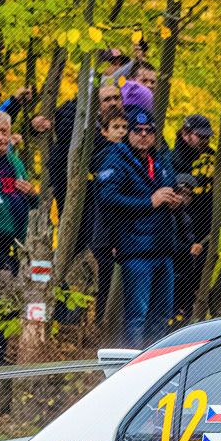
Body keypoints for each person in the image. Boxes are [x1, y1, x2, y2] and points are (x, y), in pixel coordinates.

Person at [97, 106, 187, 347]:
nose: (144, 135)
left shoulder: (160, 160)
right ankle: (133, 363)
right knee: (137, 317)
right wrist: (150, 201)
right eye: (138, 130)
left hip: (164, 247)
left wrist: (174, 202)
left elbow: (168, 191)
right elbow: (107, 198)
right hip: (136, 249)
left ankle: (155, 363)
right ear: (129, 133)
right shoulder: (116, 159)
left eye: (149, 130)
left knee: (162, 316)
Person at [0, 109, 40, 364]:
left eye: (5, 132)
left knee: (6, 297)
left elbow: (31, 204)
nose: (1, 137)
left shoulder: (15, 163)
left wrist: (32, 195)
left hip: (13, 241)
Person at [168, 114, 217, 324]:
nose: (205, 140)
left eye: (208, 136)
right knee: (174, 281)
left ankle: (189, 322)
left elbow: (219, 195)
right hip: (176, 231)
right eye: (200, 136)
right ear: (185, 134)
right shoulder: (171, 159)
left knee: (194, 282)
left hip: (203, 231)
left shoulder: (212, 159)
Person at [86, 110, 129, 310]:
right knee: (105, 281)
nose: (121, 132)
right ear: (104, 131)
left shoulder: (127, 155)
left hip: (119, 231)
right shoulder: (105, 157)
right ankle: (101, 321)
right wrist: (113, 238)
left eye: (125, 127)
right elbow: (107, 201)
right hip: (106, 231)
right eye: (116, 127)